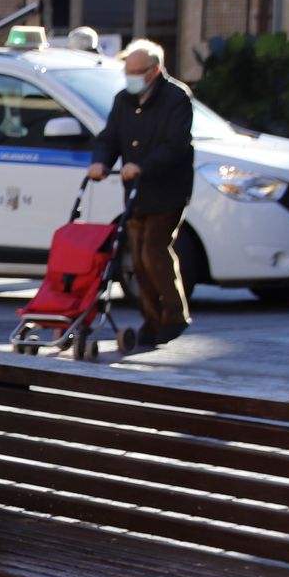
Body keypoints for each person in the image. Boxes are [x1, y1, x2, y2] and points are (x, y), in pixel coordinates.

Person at [86, 39, 194, 347]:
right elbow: (109, 138)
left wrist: (142, 166)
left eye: (136, 71)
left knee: (153, 252)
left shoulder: (176, 98)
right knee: (138, 256)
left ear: (154, 71)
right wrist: (101, 163)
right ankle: (151, 320)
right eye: (127, 70)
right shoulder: (123, 100)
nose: (130, 76)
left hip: (167, 191)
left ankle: (174, 315)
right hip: (135, 194)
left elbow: (175, 145)